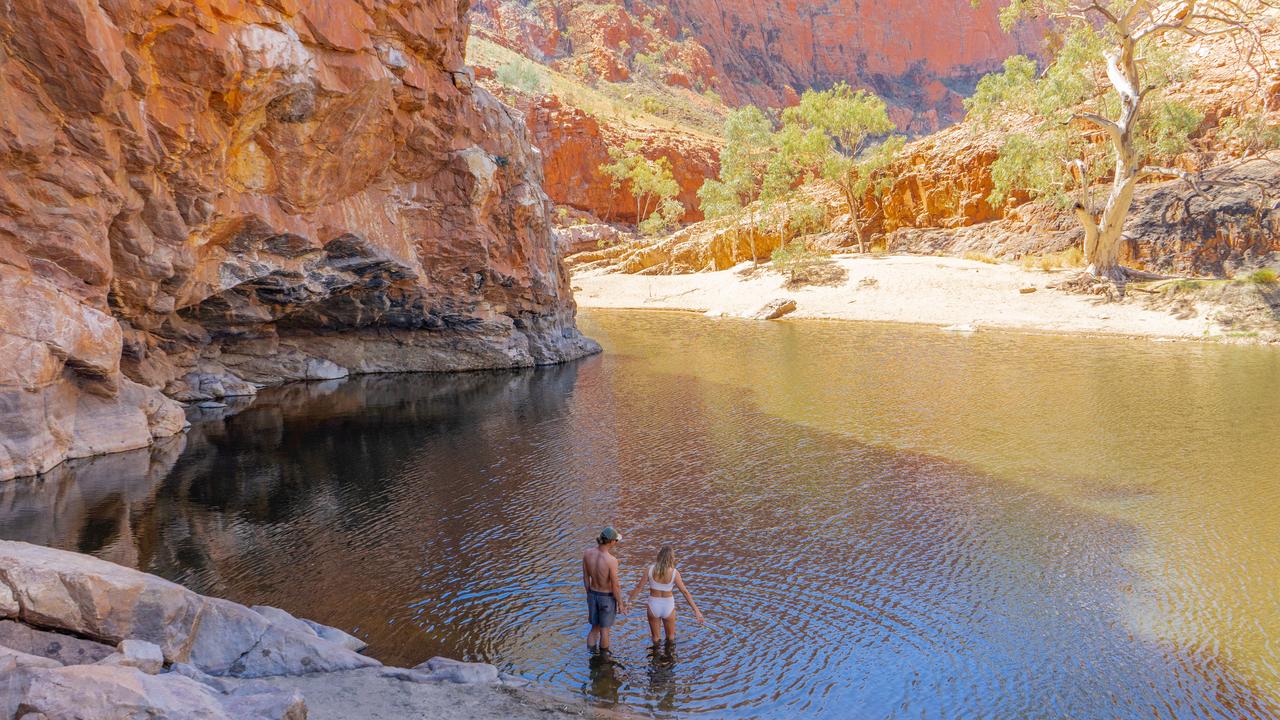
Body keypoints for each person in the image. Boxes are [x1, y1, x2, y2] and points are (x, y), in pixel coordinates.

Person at [628, 545, 704, 645]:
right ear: (671, 558)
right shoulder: (674, 573)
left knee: (655, 638)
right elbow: (684, 592)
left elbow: (638, 588)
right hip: (668, 605)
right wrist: (696, 611)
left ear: (659, 556)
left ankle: (655, 658)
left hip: (653, 605)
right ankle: (669, 659)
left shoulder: (649, 570)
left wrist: (628, 602)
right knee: (670, 638)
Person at [583, 526, 626, 651]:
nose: (616, 543)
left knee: (594, 628)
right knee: (605, 630)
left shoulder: (587, 553)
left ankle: (591, 656)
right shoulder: (611, 560)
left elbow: (585, 577)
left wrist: (589, 595)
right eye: (616, 540)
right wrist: (620, 604)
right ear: (612, 541)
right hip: (606, 598)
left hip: (592, 594)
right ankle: (604, 660)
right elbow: (615, 586)